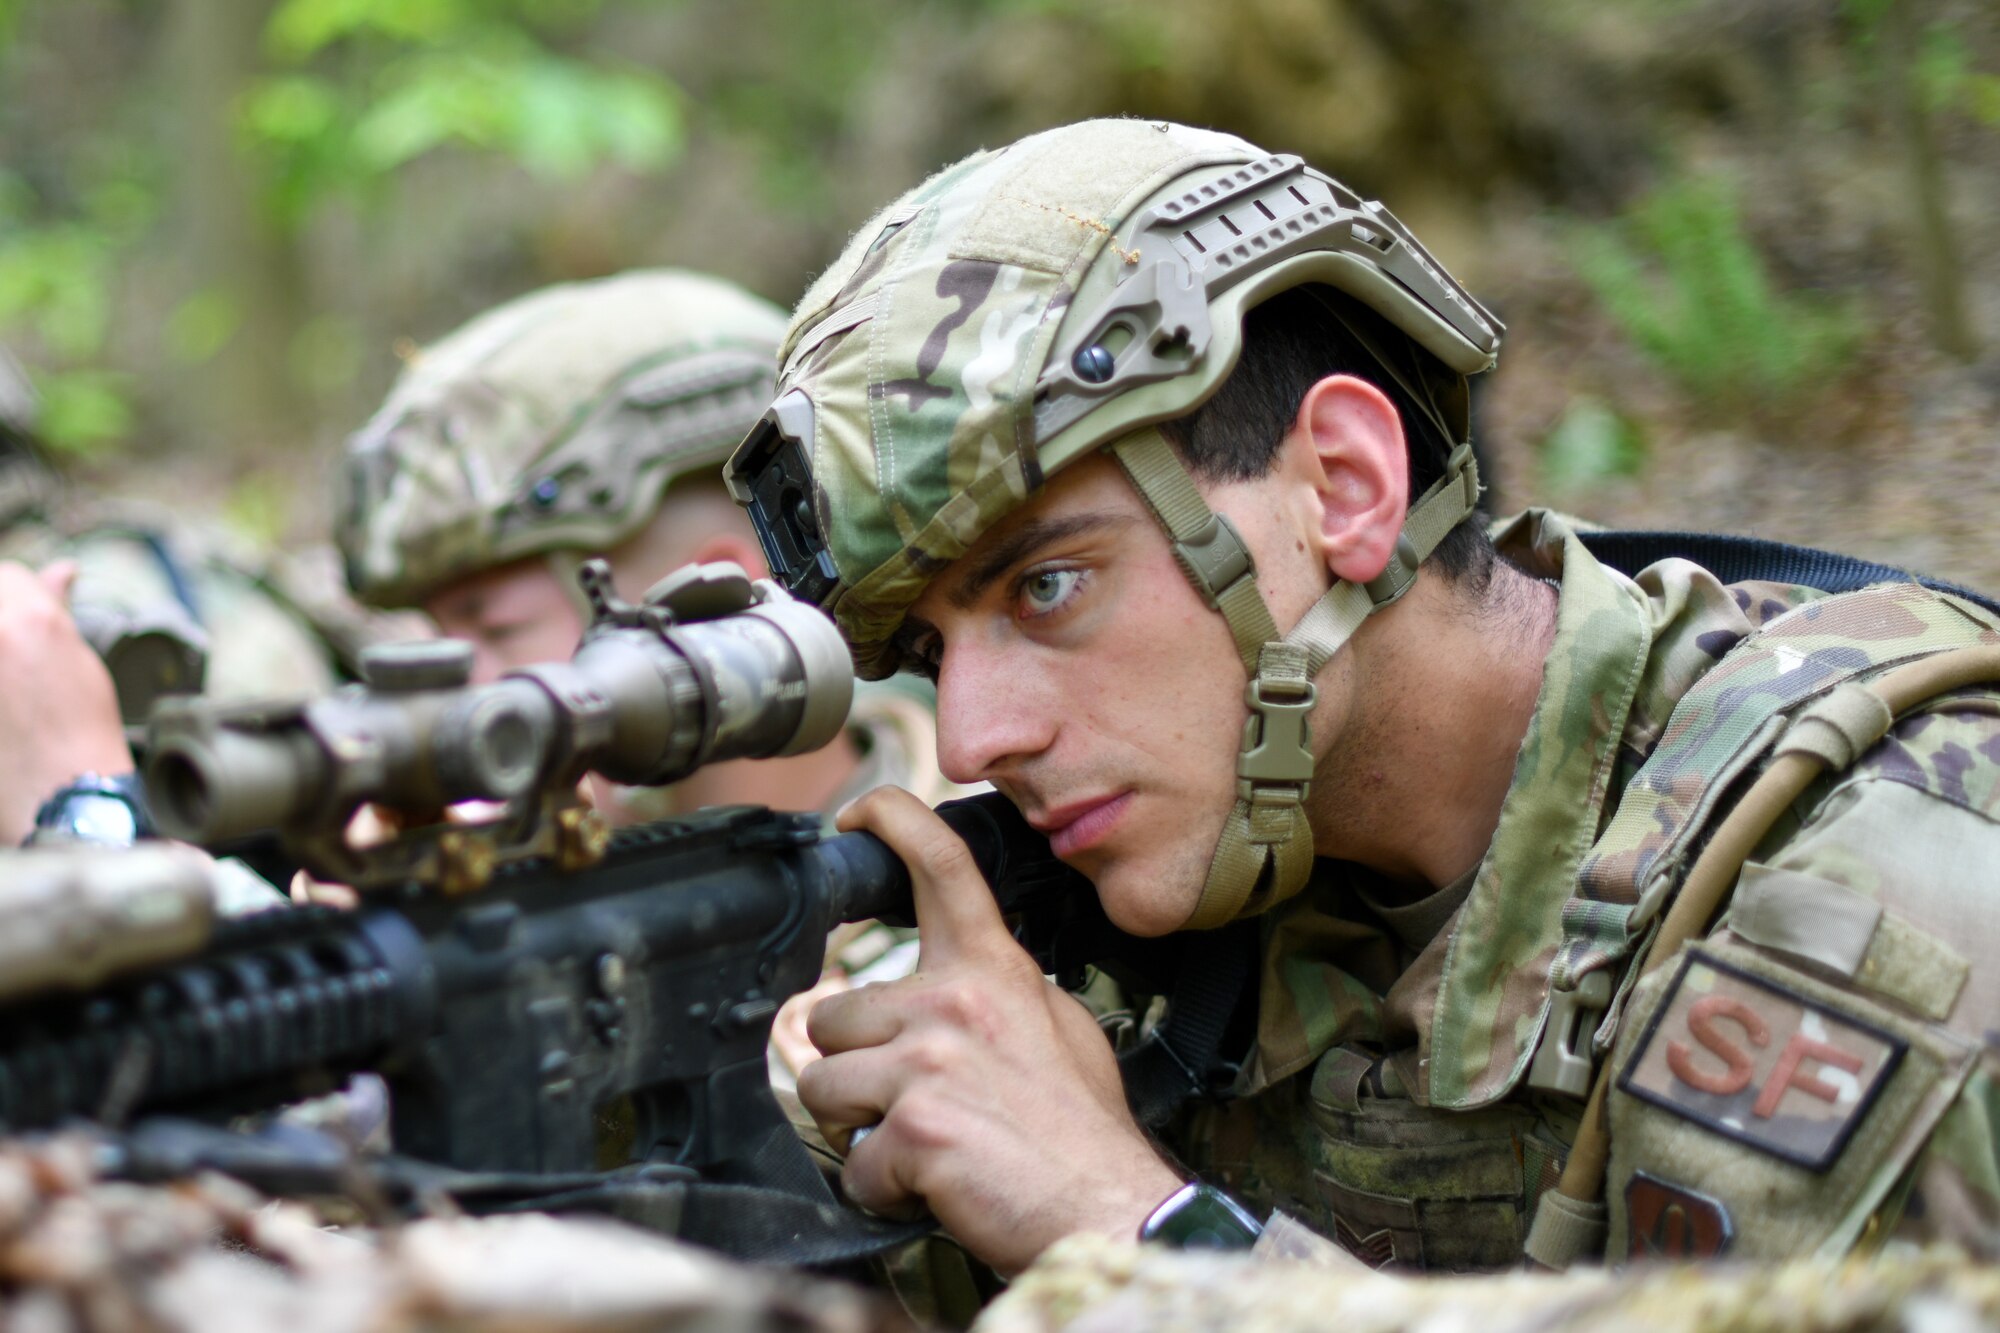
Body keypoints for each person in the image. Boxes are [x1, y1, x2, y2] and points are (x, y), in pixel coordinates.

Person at [721, 118, 2000, 1277]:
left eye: (1048, 585)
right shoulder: (1189, 884)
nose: (974, 735)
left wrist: (1125, 1226)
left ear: (1339, 486)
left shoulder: (1874, 886)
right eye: (936, 654)